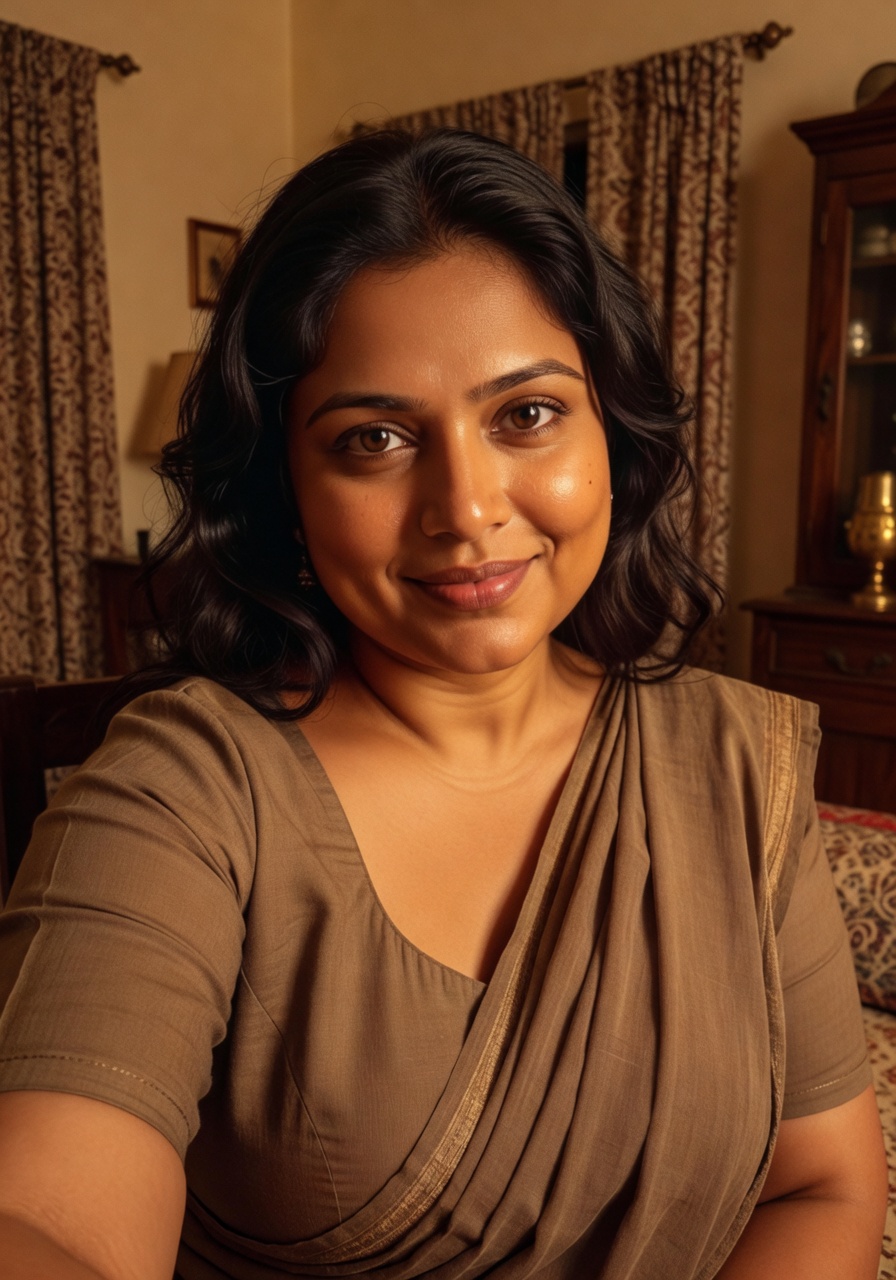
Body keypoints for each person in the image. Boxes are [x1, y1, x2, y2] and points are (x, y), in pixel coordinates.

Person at [0, 128, 887, 1280]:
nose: (465, 507)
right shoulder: (184, 788)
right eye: (374, 438)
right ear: (284, 484)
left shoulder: (734, 758)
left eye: (525, 415)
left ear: (610, 430)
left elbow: (821, 1181)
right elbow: (47, 1217)